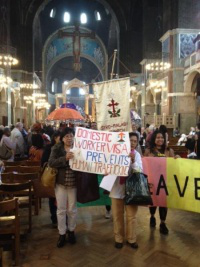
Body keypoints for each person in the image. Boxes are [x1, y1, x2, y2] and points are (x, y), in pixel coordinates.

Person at [109, 132, 143, 249]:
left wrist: (133, 161)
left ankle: (131, 239)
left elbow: (139, 171)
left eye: (135, 141)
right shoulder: (115, 152)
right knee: (117, 215)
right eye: (131, 140)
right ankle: (118, 238)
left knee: (131, 216)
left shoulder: (137, 155)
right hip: (117, 188)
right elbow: (108, 166)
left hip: (132, 190)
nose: (133, 143)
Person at [48, 127, 77, 248]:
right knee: (61, 209)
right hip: (61, 183)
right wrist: (64, 158)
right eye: (66, 136)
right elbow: (51, 162)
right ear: (62, 138)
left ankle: (71, 231)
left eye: (71, 135)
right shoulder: (57, 148)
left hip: (74, 183)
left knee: (72, 209)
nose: (69, 138)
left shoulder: (78, 146)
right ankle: (61, 233)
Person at [144, 130, 175, 235]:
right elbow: (144, 163)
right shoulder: (149, 151)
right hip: (152, 179)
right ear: (154, 139)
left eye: (162, 137)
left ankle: (163, 223)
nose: (160, 139)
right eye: (157, 137)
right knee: (153, 201)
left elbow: (173, 163)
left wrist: (177, 159)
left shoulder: (168, 150)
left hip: (164, 181)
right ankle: (152, 216)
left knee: (163, 202)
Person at [41, 131, 61, 227]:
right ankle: (54, 218)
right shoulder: (49, 148)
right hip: (52, 176)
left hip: (61, 177)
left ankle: (62, 218)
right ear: (55, 138)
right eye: (60, 137)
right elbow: (43, 161)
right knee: (52, 197)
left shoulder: (65, 148)